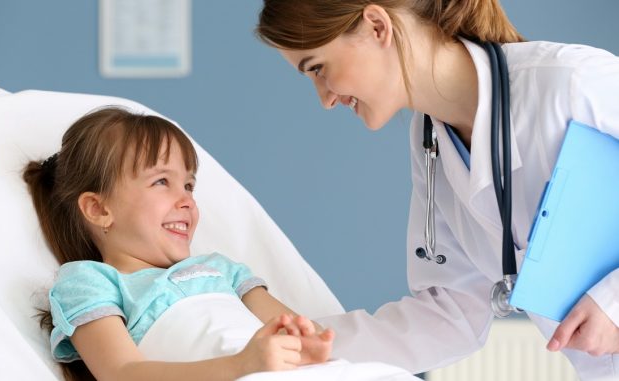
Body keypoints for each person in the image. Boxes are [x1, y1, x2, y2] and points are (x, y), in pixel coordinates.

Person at [255, 0, 619, 379]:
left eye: (318, 68)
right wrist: (310, 345)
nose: (325, 98)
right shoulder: (430, 139)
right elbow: (451, 312)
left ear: (377, 27)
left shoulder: (569, 81)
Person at [22, 107, 335, 381]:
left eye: (189, 185)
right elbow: (122, 374)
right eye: (161, 182)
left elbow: (296, 329)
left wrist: (310, 343)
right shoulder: (89, 282)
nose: (186, 200)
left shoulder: (221, 269)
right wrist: (243, 365)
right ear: (99, 209)